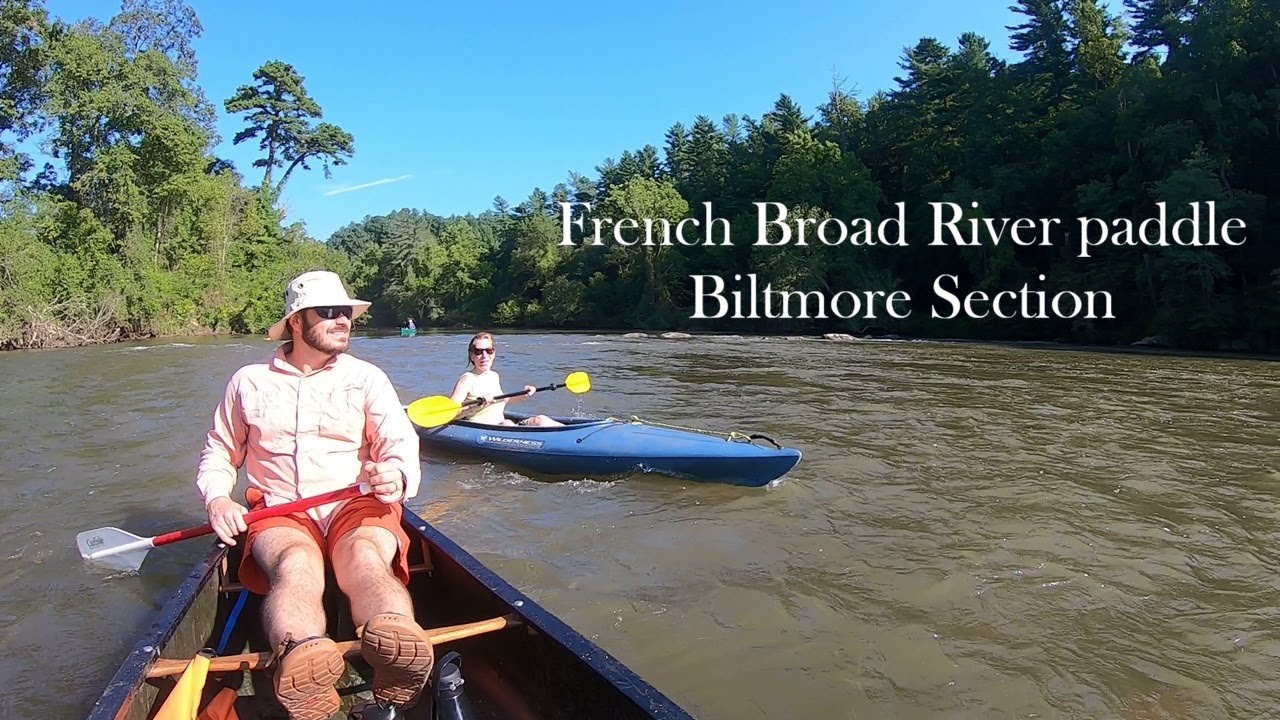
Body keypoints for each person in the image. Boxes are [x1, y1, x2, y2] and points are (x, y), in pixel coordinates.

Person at [195, 270, 433, 720]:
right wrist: (218, 499)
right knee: (296, 564)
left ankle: (398, 644)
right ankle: (303, 659)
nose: (342, 320)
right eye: (329, 312)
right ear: (296, 322)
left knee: (364, 554)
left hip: (356, 500)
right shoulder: (248, 381)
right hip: (283, 509)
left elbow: (399, 444)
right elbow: (220, 452)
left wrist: (396, 475)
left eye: (346, 312)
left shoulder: (368, 379)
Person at [448, 332, 563, 427]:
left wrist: (524, 395)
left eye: (489, 351)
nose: (484, 356)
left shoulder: (494, 376)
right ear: (472, 355)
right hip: (485, 431)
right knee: (507, 423)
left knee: (541, 420)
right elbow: (451, 413)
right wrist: (478, 405)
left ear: (494, 353)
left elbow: (504, 400)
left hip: (503, 427)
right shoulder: (466, 380)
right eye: (478, 352)